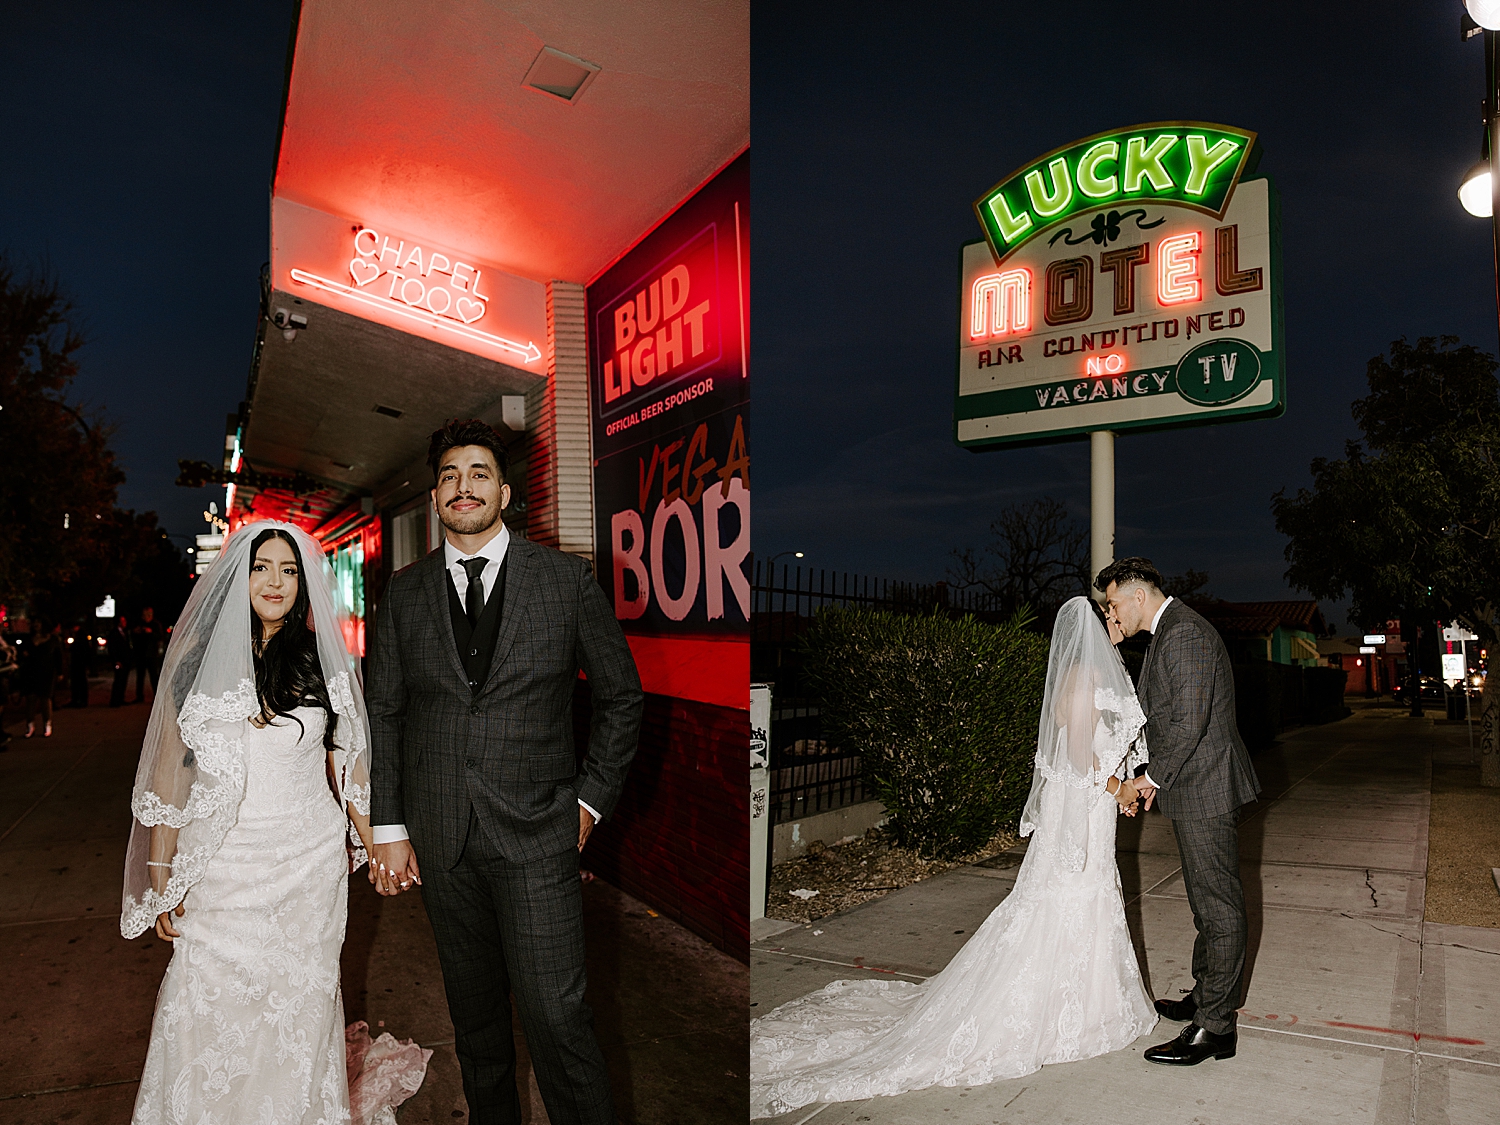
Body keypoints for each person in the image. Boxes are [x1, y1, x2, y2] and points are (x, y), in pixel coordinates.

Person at [749, 596, 1157, 1118]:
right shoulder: (1082, 676)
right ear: (1098, 626)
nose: (1119, 618)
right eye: (1113, 613)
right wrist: (1118, 787)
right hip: (1079, 808)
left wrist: (1118, 789)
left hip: (1087, 805)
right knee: (1068, 897)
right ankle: (1063, 1012)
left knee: (1080, 897)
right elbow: (1079, 752)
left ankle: (1087, 1006)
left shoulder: (1097, 672)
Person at [367, 418, 643, 1125]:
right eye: (452, 475)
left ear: (505, 493)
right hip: (441, 841)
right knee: (478, 1028)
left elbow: (620, 696)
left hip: (539, 836)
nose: (465, 486)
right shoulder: (403, 592)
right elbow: (387, 713)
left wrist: (588, 801)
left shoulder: (563, 580)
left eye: (479, 473)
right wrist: (390, 823)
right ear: (435, 496)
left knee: (558, 1017)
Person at [121, 522, 429, 1124]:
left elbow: (347, 770)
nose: (275, 581)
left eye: (289, 571)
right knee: (204, 1003)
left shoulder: (320, 662)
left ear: (304, 584)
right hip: (221, 870)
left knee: (300, 1007)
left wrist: (377, 846)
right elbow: (170, 780)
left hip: (306, 871)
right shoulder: (195, 665)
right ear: (238, 575)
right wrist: (164, 876)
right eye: (262, 566)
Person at [1096, 556, 1261, 1066]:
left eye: (1114, 602)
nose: (1112, 612)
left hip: (1206, 787)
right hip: (1193, 784)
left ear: (1138, 596)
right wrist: (1150, 774)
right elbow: (1166, 720)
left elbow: (1190, 723)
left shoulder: (1184, 634)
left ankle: (1215, 1028)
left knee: (1218, 907)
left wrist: (1148, 778)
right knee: (1205, 901)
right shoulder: (1171, 633)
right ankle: (1206, 994)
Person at [19, 619, 62, 737]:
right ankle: (30, 725)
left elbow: (58, 656)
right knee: (30, 698)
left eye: (39, 622)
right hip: (30, 671)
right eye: (35, 623)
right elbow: (22, 653)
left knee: (45, 698)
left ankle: (47, 724)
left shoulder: (52, 639)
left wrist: (60, 672)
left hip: (46, 672)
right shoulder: (28, 639)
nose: (36, 625)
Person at [129, 606, 164, 703]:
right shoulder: (139, 624)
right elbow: (133, 636)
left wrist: (151, 632)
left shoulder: (155, 625)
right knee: (140, 677)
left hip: (152, 655)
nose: (145, 617)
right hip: (141, 654)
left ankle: (157, 696)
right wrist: (137, 632)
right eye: (144, 615)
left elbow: (160, 637)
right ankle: (139, 696)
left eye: (147, 615)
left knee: (154, 676)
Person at [108, 614, 131, 706]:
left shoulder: (125, 633)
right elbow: (112, 648)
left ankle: (121, 698)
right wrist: (116, 660)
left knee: (123, 680)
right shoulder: (114, 633)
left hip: (125, 660)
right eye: (123, 621)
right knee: (118, 680)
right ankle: (115, 700)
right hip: (119, 660)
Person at [68, 623, 92, 707]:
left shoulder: (80, 637)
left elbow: (81, 649)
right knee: (79, 682)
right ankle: (78, 700)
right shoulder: (79, 636)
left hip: (79, 662)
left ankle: (80, 700)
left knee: (79, 682)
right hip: (79, 662)